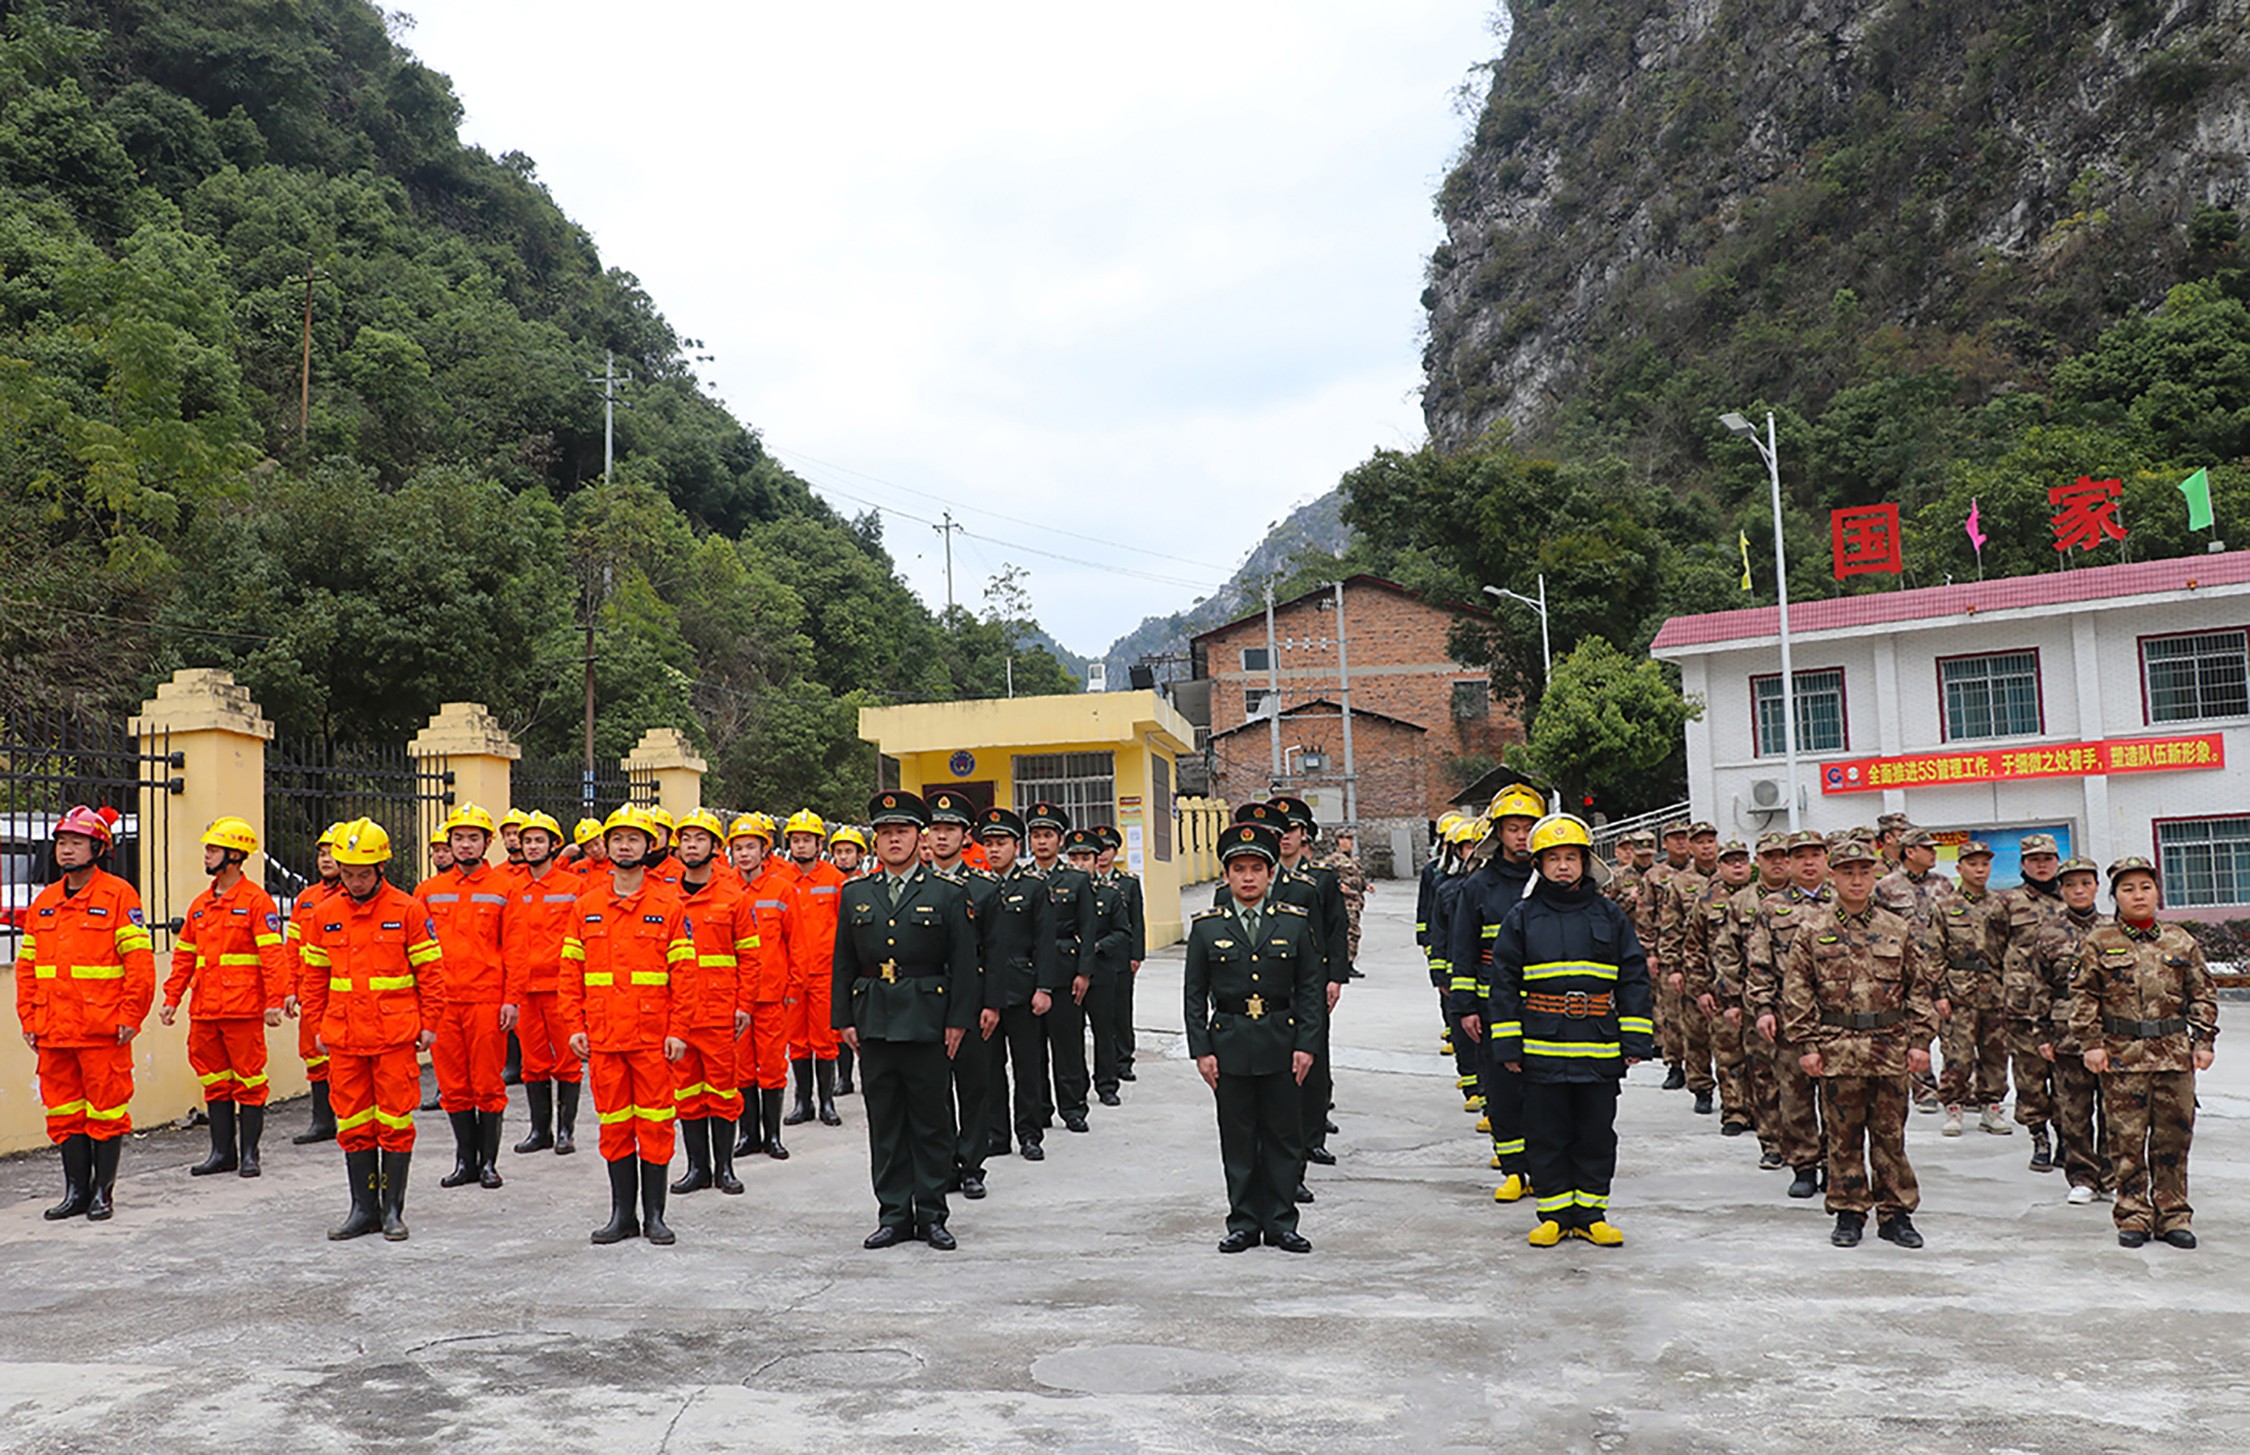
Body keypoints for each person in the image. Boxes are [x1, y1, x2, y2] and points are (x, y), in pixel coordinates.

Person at [1488, 814, 1653, 1246]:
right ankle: (1555, 1215)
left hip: (1598, 1046)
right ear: (1539, 864)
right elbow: (1503, 983)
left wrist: (1636, 1038)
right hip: (1541, 1045)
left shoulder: (1610, 915)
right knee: (1547, 1132)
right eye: (1554, 858)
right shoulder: (1521, 918)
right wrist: (1506, 1042)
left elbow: (1633, 976)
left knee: (1596, 1132)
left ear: (1586, 862)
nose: (1563, 866)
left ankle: (1592, 1213)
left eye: (1572, 857)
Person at [833, 791, 979, 1250]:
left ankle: (932, 1214)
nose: (893, 840)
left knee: (931, 1121)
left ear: (920, 839)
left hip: (927, 1020)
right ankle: (894, 1214)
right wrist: (843, 1019)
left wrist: (958, 1021)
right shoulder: (856, 893)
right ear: (875, 842)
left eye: (902, 832)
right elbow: (842, 962)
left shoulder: (947, 893)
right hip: (874, 1020)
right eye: (885, 833)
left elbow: (964, 962)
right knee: (886, 1122)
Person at [1781, 837, 1938, 1249]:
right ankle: (1849, 1212)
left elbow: (1918, 989)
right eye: (1847, 871)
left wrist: (1921, 1041)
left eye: (1864, 871)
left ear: (1875, 875)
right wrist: (1807, 1045)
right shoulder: (1813, 929)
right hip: (1836, 1047)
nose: (1856, 880)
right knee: (1843, 1136)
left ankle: (1896, 1214)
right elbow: (1798, 990)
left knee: (1890, 1136)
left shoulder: (1896, 927)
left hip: (1888, 1046)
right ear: (1833, 876)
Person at [297, 818, 444, 1242]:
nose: (355, 882)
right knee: (354, 1123)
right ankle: (363, 1210)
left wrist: (430, 1024)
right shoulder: (325, 914)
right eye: (347, 874)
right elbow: (314, 978)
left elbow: (431, 974)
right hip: (344, 1038)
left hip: (394, 1036)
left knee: (395, 1122)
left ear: (381, 869)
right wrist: (317, 1024)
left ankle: (392, 1210)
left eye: (363, 874)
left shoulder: (408, 910)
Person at [1184, 821, 1323, 1254]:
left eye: (1256, 869)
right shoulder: (1207, 928)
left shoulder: (1294, 923)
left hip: (1281, 1044)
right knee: (1238, 1138)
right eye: (1239, 868)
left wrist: (1306, 1045)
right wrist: (1202, 1052)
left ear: (1269, 875)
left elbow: (1310, 990)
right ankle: (1243, 1222)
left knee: (1283, 1137)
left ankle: (1282, 1222)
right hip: (1229, 1046)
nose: (1247, 877)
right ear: (1226, 875)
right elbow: (1193, 996)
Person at [2069, 857, 2218, 1248]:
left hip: (2174, 1055)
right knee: (2126, 1140)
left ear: (2157, 892)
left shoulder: (2180, 940)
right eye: (2128, 888)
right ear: (2116, 896)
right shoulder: (2098, 942)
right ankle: (2133, 1214)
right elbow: (2084, 996)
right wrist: (2091, 1044)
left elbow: (2201, 993)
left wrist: (2203, 1042)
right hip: (2122, 1058)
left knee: (2173, 1139)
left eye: (2145, 887)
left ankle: (2173, 1215)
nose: (2138, 895)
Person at [15, 805, 155, 1222]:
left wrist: (132, 1014)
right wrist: (29, 1019)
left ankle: (102, 1194)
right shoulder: (44, 903)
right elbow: (27, 969)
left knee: (107, 1112)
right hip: (53, 1028)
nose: (67, 850)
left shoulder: (118, 895)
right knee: (63, 1112)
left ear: (98, 847)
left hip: (102, 1028)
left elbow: (140, 964)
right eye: (62, 842)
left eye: (76, 842)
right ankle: (75, 1192)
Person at [561, 806, 692, 1245]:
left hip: (654, 1039)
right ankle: (622, 1215)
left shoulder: (669, 907)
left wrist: (678, 1030)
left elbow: (685, 977)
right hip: (603, 1037)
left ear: (648, 845)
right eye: (617, 839)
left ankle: (654, 1215)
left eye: (633, 839)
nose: (624, 846)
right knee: (614, 1125)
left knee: (655, 1124)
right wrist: (574, 1024)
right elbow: (570, 972)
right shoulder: (586, 907)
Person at [161, 815, 290, 1178]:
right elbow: (185, 956)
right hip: (205, 1010)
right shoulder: (200, 905)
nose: (207, 855)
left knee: (249, 1081)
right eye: (207, 849)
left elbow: (272, 956)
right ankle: (222, 1153)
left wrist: (275, 1001)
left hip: (243, 1009)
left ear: (235, 855)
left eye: (214, 849)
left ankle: (249, 1154)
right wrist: (172, 998)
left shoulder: (256, 902)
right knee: (214, 1080)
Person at [1450, 784, 1543, 1202]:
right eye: (1513, 828)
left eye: (1528, 828)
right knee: (1501, 1091)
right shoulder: (1478, 886)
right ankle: (1512, 1169)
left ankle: (1543, 1168)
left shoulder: (1554, 881)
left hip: (1545, 1005)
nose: (1521, 836)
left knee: (1544, 1093)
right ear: (1498, 833)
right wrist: (1465, 1007)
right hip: (1492, 1006)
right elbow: (1463, 950)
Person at [415, 803, 511, 1190]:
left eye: (473, 838)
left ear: (488, 842)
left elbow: (515, 948)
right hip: (444, 1003)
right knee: (452, 1086)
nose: (466, 845)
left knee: (487, 1083)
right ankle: (464, 1162)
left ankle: (488, 1163)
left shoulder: (505, 888)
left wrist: (512, 999)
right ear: (448, 843)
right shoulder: (428, 891)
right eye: (459, 838)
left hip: (488, 998)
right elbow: (415, 952)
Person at [2018, 856, 2115, 1203]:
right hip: (2066, 1033)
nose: (2078, 890)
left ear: (2096, 887)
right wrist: (2041, 1035)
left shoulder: (2112, 928)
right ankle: (2082, 1177)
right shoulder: (2048, 933)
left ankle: (2110, 1174)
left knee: (2112, 1109)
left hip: (2109, 1034)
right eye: (2070, 884)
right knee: (2073, 1111)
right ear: (2061, 890)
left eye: (2085, 883)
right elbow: (2039, 987)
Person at [668, 808, 754, 1197]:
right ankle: (696, 1168)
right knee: (685, 1093)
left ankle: (725, 1169)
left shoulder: (733, 898)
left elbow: (751, 956)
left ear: (715, 848)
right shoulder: (666, 899)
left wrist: (744, 1005)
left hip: (720, 1013)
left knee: (723, 1092)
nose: (691, 845)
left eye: (700, 839)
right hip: (680, 1016)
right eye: (686, 839)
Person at [1745, 830, 1834, 1194]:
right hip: (1790, 1016)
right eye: (1800, 857)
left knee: (1837, 1096)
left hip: (1837, 1018)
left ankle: (1835, 1163)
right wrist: (1763, 1007)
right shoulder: (1771, 907)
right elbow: (1759, 961)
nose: (1808, 862)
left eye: (1815, 855)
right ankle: (1804, 1165)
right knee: (1794, 1094)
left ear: (1827, 860)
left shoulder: (1844, 902)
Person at [925, 790, 1002, 1197]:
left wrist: (991, 1002)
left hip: (971, 999)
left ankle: (972, 1165)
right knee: (934, 1089)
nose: (941, 837)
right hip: (927, 1000)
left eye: (949, 829)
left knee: (974, 1086)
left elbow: (995, 950)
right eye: (935, 829)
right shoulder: (916, 884)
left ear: (965, 835)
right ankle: (943, 1164)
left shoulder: (985, 887)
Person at [970, 807, 1057, 1164]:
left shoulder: (1034, 887)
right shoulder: (974, 887)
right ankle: (997, 1134)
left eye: (1001, 843)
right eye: (988, 843)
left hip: (1023, 990)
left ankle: (1030, 1133)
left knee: (1028, 1066)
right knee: (989, 1068)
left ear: (1016, 846)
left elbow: (1045, 941)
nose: (993, 850)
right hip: (986, 993)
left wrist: (1045, 988)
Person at [1269, 796, 1350, 1172]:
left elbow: (1336, 930)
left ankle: (1313, 1135)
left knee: (1313, 1059)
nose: (1284, 837)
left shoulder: (1321, 879)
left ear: (1303, 835)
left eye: (1291, 830)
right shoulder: (1259, 878)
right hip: (1272, 984)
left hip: (1311, 980)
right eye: (1278, 831)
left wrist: (1336, 977)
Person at [501, 811, 586, 1156]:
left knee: (567, 1060)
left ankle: (566, 1131)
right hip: (524, 988)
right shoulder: (509, 887)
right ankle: (540, 1131)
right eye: (527, 841)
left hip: (561, 988)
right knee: (533, 1063)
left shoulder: (574, 888)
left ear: (554, 845)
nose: (533, 847)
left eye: (539, 840)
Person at [1707, 833, 1792, 1153]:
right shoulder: (1741, 902)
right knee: (1764, 1075)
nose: (1778, 862)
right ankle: (1771, 1143)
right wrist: (1729, 999)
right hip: (1757, 1001)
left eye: (1784, 856)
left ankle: (1809, 1149)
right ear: (1760, 861)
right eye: (1770, 856)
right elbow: (1726, 952)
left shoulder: (1814, 900)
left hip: (1807, 1006)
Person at [1997, 834, 2071, 1172]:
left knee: (2067, 1078)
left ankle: (2067, 1140)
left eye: (2047, 858)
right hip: (2022, 1006)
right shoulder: (2008, 902)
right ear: (2023, 864)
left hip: (2064, 1007)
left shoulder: (2070, 900)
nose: (2041, 865)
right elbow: (1990, 950)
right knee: (2030, 1078)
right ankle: (2039, 1138)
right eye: (2034, 859)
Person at [1025, 801, 1097, 1134]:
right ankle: (1039, 1108)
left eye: (1048, 835)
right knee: (1032, 1048)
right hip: (1029, 973)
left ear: (1060, 840)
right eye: (1036, 835)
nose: (1042, 842)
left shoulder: (1077, 880)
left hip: (1066, 971)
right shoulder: (1022, 879)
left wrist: (1084, 972)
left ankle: (1073, 1107)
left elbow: (1088, 927)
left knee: (1067, 1044)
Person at [774, 810, 848, 1127]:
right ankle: (802, 1102)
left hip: (824, 973)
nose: (801, 846)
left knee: (825, 1039)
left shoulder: (834, 880)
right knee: (797, 1041)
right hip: (791, 977)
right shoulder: (780, 881)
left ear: (820, 844)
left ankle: (827, 1102)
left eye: (807, 840)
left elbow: (845, 929)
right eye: (796, 840)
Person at [727, 813, 794, 1160]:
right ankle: (748, 1134)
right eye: (738, 848)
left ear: (763, 850)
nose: (744, 854)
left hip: (771, 995)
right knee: (741, 1067)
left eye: (750, 847)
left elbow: (795, 942)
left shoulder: (781, 889)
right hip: (736, 999)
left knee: (771, 1067)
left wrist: (793, 988)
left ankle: (773, 1136)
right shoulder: (725, 888)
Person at [1876, 827, 1957, 1114]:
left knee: (1951, 1029)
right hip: (1905, 970)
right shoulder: (1886, 887)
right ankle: (1923, 1087)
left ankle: (1954, 1088)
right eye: (1928, 848)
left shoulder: (1944, 884)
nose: (1934, 853)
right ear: (1909, 852)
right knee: (1913, 1029)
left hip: (1941, 967)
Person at [1936, 840, 2012, 1136]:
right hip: (1959, 992)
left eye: (1984, 864)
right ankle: (1953, 1107)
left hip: (1994, 989)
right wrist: (1938, 993)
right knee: (1959, 1054)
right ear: (1959, 868)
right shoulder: (1945, 907)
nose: (1979, 869)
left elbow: (2010, 950)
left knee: (1995, 1052)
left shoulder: (2000, 905)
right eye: (1972, 864)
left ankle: (1992, 1107)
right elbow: (1934, 952)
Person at [284, 822, 346, 1144]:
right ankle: (323, 1122)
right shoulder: (306, 898)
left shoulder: (352, 897)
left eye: (332, 853)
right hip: (311, 990)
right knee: (314, 1056)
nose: (325, 859)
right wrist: (291, 989)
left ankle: (350, 1119)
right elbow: (293, 948)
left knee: (345, 1059)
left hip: (343, 990)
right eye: (321, 853)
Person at [1656, 821, 1723, 1115]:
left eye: (1711, 840)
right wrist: (1673, 966)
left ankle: (1739, 1097)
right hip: (1694, 967)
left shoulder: (1732, 878)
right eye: (1700, 841)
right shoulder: (1680, 883)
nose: (1707, 846)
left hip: (1729, 969)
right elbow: (1670, 928)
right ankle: (1701, 1087)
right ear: (1692, 848)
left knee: (1731, 1036)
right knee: (1695, 1032)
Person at [1070, 827, 1135, 1107]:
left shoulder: (1110, 893)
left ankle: (1107, 1084)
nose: (1079, 864)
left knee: (1104, 1030)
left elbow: (1123, 931)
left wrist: (1096, 947)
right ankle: (1076, 1088)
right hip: (1068, 973)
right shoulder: (1059, 892)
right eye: (1074, 858)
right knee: (1072, 1035)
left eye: (1085, 858)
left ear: (1096, 860)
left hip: (1102, 971)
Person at [1639, 820, 1693, 1089]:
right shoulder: (1655, 876)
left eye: (1685, 837)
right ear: (1665, 844)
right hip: (1668, 950)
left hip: (1702, 954)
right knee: (1671, 1013)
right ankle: (1675, 1064)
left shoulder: (1708, 873)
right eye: (1675, 838)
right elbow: (1645, 916)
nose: (1680, 842)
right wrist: (1650, 952)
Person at [1094, 824, 1146, 1081]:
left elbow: (1137, 921)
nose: (1103, 854)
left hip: (1121, 956)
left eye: (1108, 849)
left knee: (1121, 1011)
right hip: (1093, 958)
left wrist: (1137, 955)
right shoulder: (1083, 882)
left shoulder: (1129, 883)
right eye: (1099, 849)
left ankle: (1124, 1060)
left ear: (1116, 852)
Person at [1321, 828, 1370, 967]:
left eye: (1351, 839)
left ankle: (1350, 961)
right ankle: (1344, 963)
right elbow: (1325, 877)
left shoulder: (1353, 859)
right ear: (1339, 841)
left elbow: (1358, 877)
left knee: (1354, 933)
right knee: (1347, 933)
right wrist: (1338, 886)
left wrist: (1366, 885)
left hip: (1356, 902)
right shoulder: (1333, 860)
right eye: (1347, 839)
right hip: (1343, 902)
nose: (1350, 843)